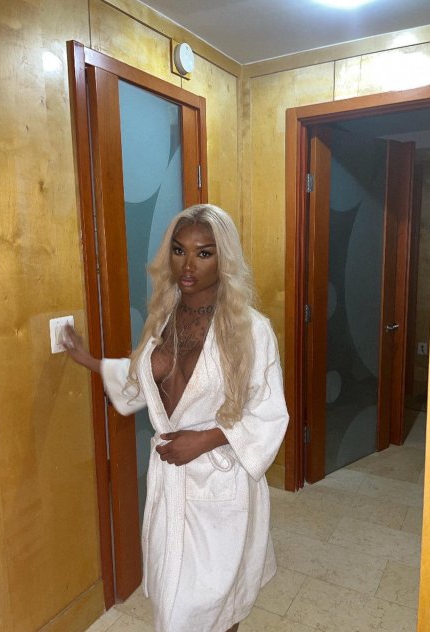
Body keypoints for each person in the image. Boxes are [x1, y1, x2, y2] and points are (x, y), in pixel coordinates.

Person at [64, 204, 289, 632]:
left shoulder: (251, 329)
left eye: (204, 253)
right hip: (170, 483)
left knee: (218, 603)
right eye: (179, 250)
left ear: (224, 258)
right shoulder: (163, 319)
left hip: (221, 478)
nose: (188, 265)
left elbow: (269, 413)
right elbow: (141, 380)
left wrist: (204, 440)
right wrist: (89, 360)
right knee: (174, 602)